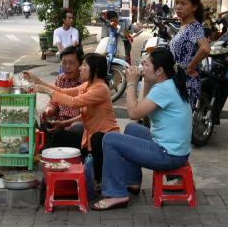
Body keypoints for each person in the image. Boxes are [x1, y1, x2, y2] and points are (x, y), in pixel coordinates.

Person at [91, 48, 192, 210]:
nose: (141, 68)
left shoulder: (163, 89)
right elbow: (141, 109)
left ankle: (117, 194)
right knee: (132, 129)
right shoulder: (169, 83)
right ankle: (133, 182)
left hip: (168, 155)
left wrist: (131, 82)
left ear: (159, 70)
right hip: (176, 150)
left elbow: (133, 113)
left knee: (110, 139)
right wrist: (145, 81)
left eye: (145, 65)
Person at [23, 53, 120, 184]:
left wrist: (46, 90)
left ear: (95, 69)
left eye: (84, 65)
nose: (80, 68)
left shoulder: (101, 89)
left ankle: (100, 180)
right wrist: (38, 82)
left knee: (97, 138)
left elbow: (73, 102)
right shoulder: (86, 86)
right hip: (88, 138)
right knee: (58, 136)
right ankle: (55, 172)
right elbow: (63, 92)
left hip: (104, 139)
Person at [169, 0, 211, 108]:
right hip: (177, 82)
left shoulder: (194, 27)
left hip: (186, 84)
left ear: (194, 7)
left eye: (183, 3)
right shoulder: (183, 26)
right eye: (176, 2)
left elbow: (205, 48)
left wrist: (189, 68)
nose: (178, 6)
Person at [37, 46, 84, 149]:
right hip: (60, 121)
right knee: (43, 119)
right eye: (64, 62)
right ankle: (46, 153)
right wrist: (48, 111)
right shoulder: (61, 79)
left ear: (80, 64)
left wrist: (64, 123)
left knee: (77, 127)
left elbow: (86, 115)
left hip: (76, 123)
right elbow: (54, 102)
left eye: (72, 63)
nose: (67, 66)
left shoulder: (86, 82)